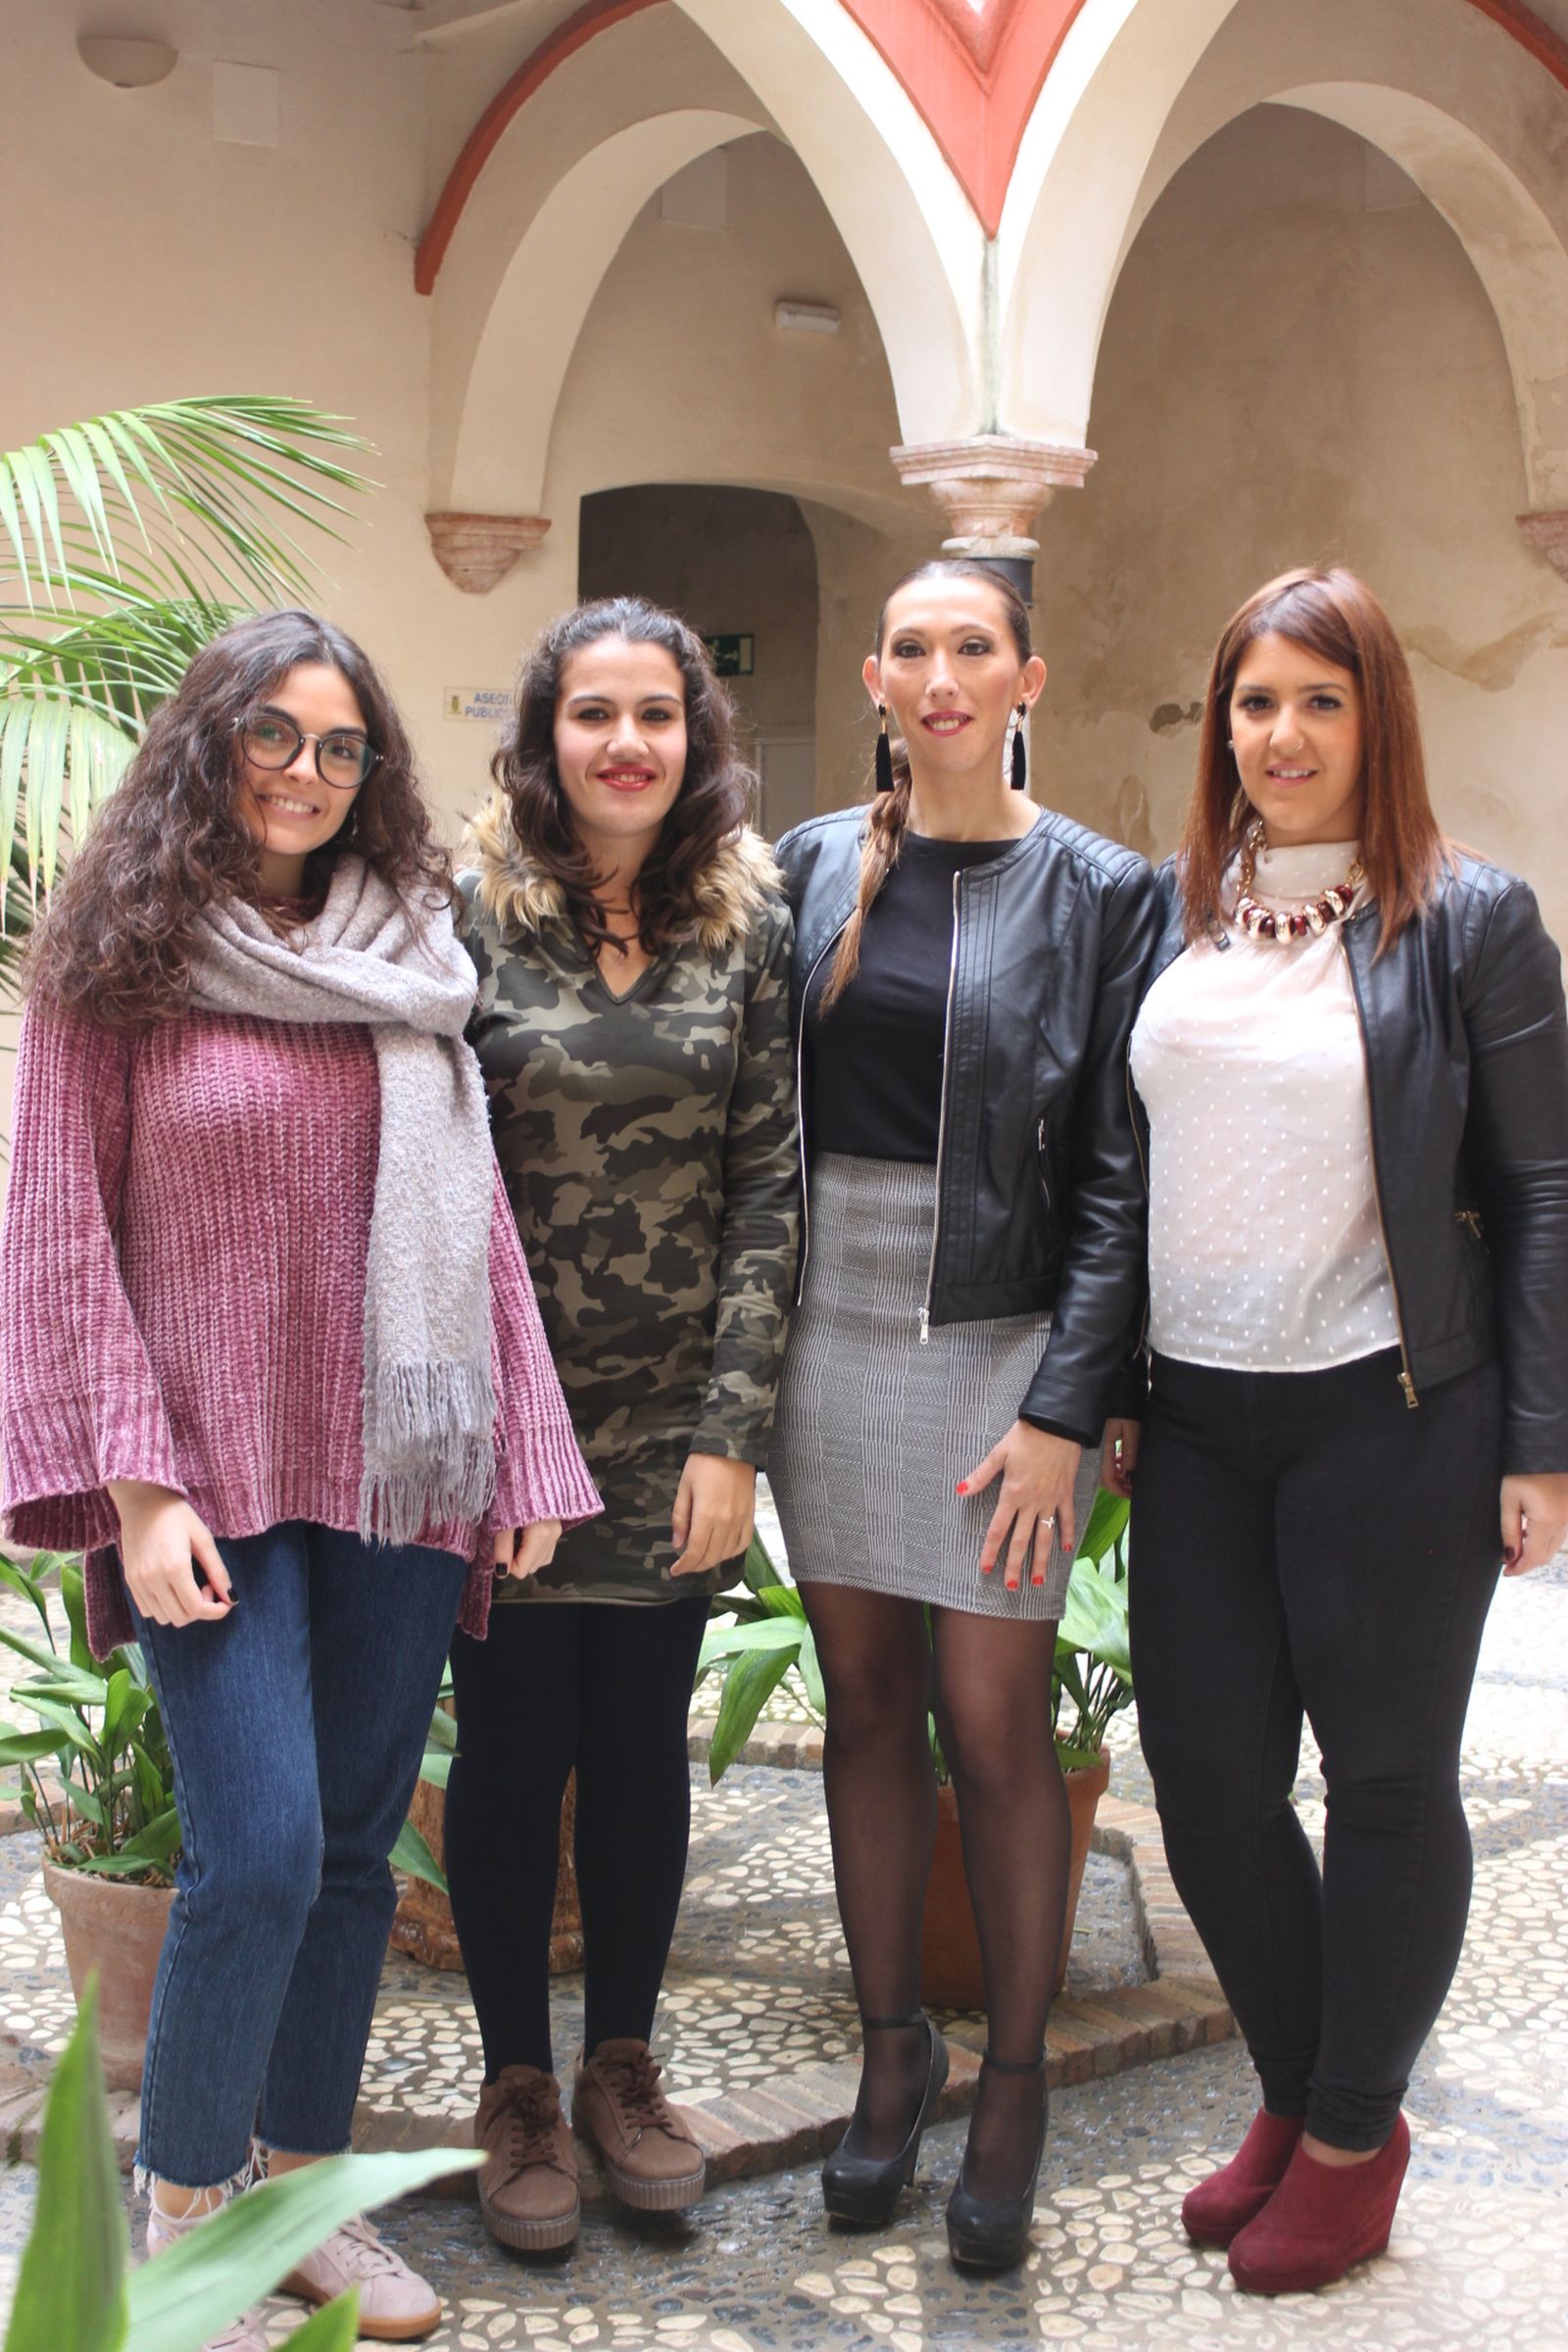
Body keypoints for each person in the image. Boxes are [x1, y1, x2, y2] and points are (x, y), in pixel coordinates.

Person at [0, 611, 600, 2352]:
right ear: (213, 739)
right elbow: (56, 1239)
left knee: (348, 1852)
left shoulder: (408, 957)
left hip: (396, 1470)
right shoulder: (111, 959)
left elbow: (475, 1223)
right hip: (204, 1481)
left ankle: (301, 2189)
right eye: (276, 735)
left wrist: (525, 1446)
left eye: (343, 750)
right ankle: (185, 2215)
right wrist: (136, 1484)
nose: (308, 777)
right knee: (254, 1850)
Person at [1102, 565, 1568, 2295]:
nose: (1280, 734)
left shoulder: (1470, 919)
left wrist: (1542, 1441)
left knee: (1380, 1785)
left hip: (1393, 1416)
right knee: (1209, 1781)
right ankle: (1295, 2101)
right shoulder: (1181, 915)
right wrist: (1114, 1393)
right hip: (1204, 1424)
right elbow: (1123, 1174)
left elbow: (1543, 1191)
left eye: (1318, 699)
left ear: (1378, 716)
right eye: (1252, 701)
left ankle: (1355, 2134)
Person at [766, 558, 1157, 2271]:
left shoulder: (1099, 889)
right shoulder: (803, 866)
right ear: (875, 675)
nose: (939, 678)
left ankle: (1010, 2078)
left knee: (995, 1722)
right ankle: (889, 2051)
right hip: (824, 1332)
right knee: (863, 1701)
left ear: (1027, 678)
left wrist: (1074, 1405)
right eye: (911, 650)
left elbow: (1122, 1177)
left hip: (1003, 1339)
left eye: (970, 650)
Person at [444, 596, 798, 2253]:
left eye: (657, 714)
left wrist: (732, 1436)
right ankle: (518, 2083)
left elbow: (765, 1180)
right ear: (545, 734)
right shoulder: (465, 919)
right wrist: (493, 1431)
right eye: (595, 713)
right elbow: (438, 1184)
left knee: (640, 1750)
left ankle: (623, 2070)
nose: (627, 743)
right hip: (513, 1429)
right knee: (513, 1757)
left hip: (673, 1431)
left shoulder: (749, 921)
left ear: (696, 737)